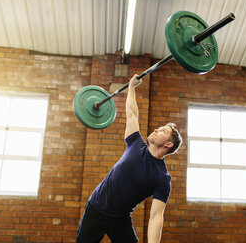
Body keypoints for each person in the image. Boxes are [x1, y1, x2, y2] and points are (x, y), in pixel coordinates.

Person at [76, 74, 183, 243]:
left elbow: (156, 216)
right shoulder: (136, 144)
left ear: (168, 144)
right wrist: (131, 88)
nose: (156, 129)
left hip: (120, 218)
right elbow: (132, 114)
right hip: (96, 208)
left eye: (162, 131)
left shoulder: (162, 178)